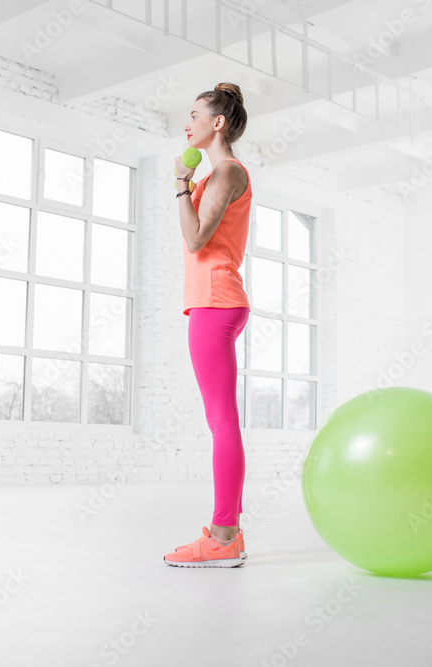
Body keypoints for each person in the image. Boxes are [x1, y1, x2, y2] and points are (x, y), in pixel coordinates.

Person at [164, 82, 252, 568]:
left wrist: (180, 183)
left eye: (195, 114)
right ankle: (228, 531)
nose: (187, 123)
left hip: (215, 302)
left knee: (222, 422)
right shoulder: (220, 173)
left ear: (217, 123)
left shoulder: (224, 172)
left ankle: (223, 537)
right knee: (221, 420)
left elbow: (197, 239)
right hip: (215, 300)